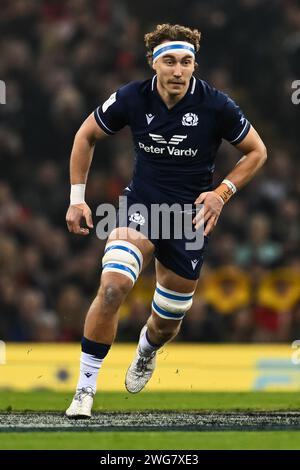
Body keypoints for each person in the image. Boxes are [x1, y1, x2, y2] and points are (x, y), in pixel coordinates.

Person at [65, 23, 267, 418]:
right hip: (141, 206)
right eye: (170, 61)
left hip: (188, 218)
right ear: (153, 64)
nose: (178, 70)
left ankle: (146, 350)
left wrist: (221, 193)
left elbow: (257, 152)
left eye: (187, 62)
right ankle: (84, 391)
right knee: (112, 287)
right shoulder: (131, 97)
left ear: (195, 65)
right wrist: (77, 199)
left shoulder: (216, 104)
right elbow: (85, 135)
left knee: (165, 324)